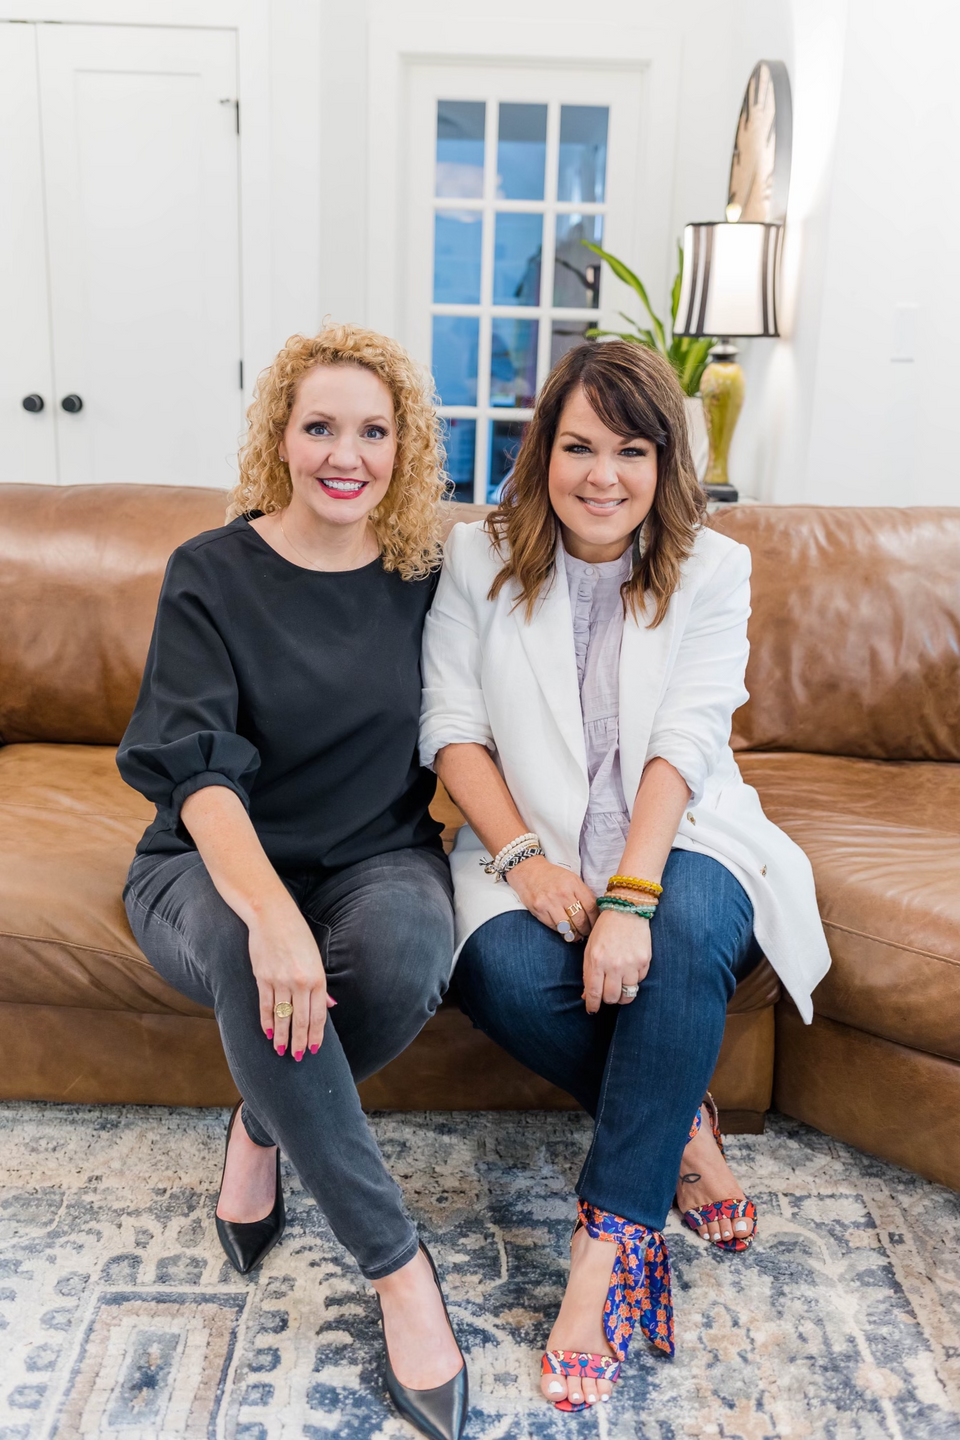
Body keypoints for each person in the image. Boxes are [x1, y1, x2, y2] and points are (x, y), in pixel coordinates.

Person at [420, 340, 830, 1414]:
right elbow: (452, 727)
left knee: (682, 942)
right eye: (579, 447)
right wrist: (525, 862)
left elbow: (687, 740)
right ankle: (684, 1126)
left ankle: (604, 1253)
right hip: (530, 843)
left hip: (682, 834)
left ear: (664, 463)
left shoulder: (713, 567)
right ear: (543, 452)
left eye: (632, 451)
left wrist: (631, 900)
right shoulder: (474, 556)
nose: (603, 476)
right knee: (502, 973)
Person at [118, 324, 468, 1440]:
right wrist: (271, 914)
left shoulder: (429, 578)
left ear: (406, 449)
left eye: (373, 431)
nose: (344, 455)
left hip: (376, 858)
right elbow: (199, 775)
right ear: (280, 435)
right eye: (319, 426)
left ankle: (263, 1122)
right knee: (246, 954)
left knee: (412, 952)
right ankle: (399, 1271)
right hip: (207, 867)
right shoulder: (211, 573)